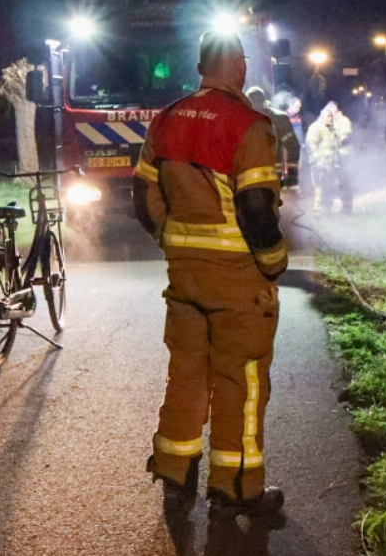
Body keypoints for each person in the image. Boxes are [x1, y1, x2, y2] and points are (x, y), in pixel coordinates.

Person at [132, 30, 289, 517]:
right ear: (240, 66)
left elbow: (143, 197)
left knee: (186, 375)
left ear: (200, 67)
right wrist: (274, 262)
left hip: (185, 279)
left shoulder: (166, 119)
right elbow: (256, 207)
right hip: (238, 281)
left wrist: (172, 239)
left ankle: (175, 475)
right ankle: (235, 489)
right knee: (241, 382)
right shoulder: (249, 125)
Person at [246, 86, 301, 188]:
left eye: (258, 101)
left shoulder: (279, 119)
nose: (256, 105)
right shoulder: (239, 120)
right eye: (253, 101)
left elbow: (292, 146)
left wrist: (292, 175)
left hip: (271, 176)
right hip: (248, 179)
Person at [305, 101, 353, 214]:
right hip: (321, 163)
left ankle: (327, 212)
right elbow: (310, 144)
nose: (331, 118)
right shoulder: (316, 127)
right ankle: (320, 213)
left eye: (331, 115)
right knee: (321, 188)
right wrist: (317, 160)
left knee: (330, 187)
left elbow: (337, 143)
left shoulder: (333, 127)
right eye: (328, 115)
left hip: (333, 163)